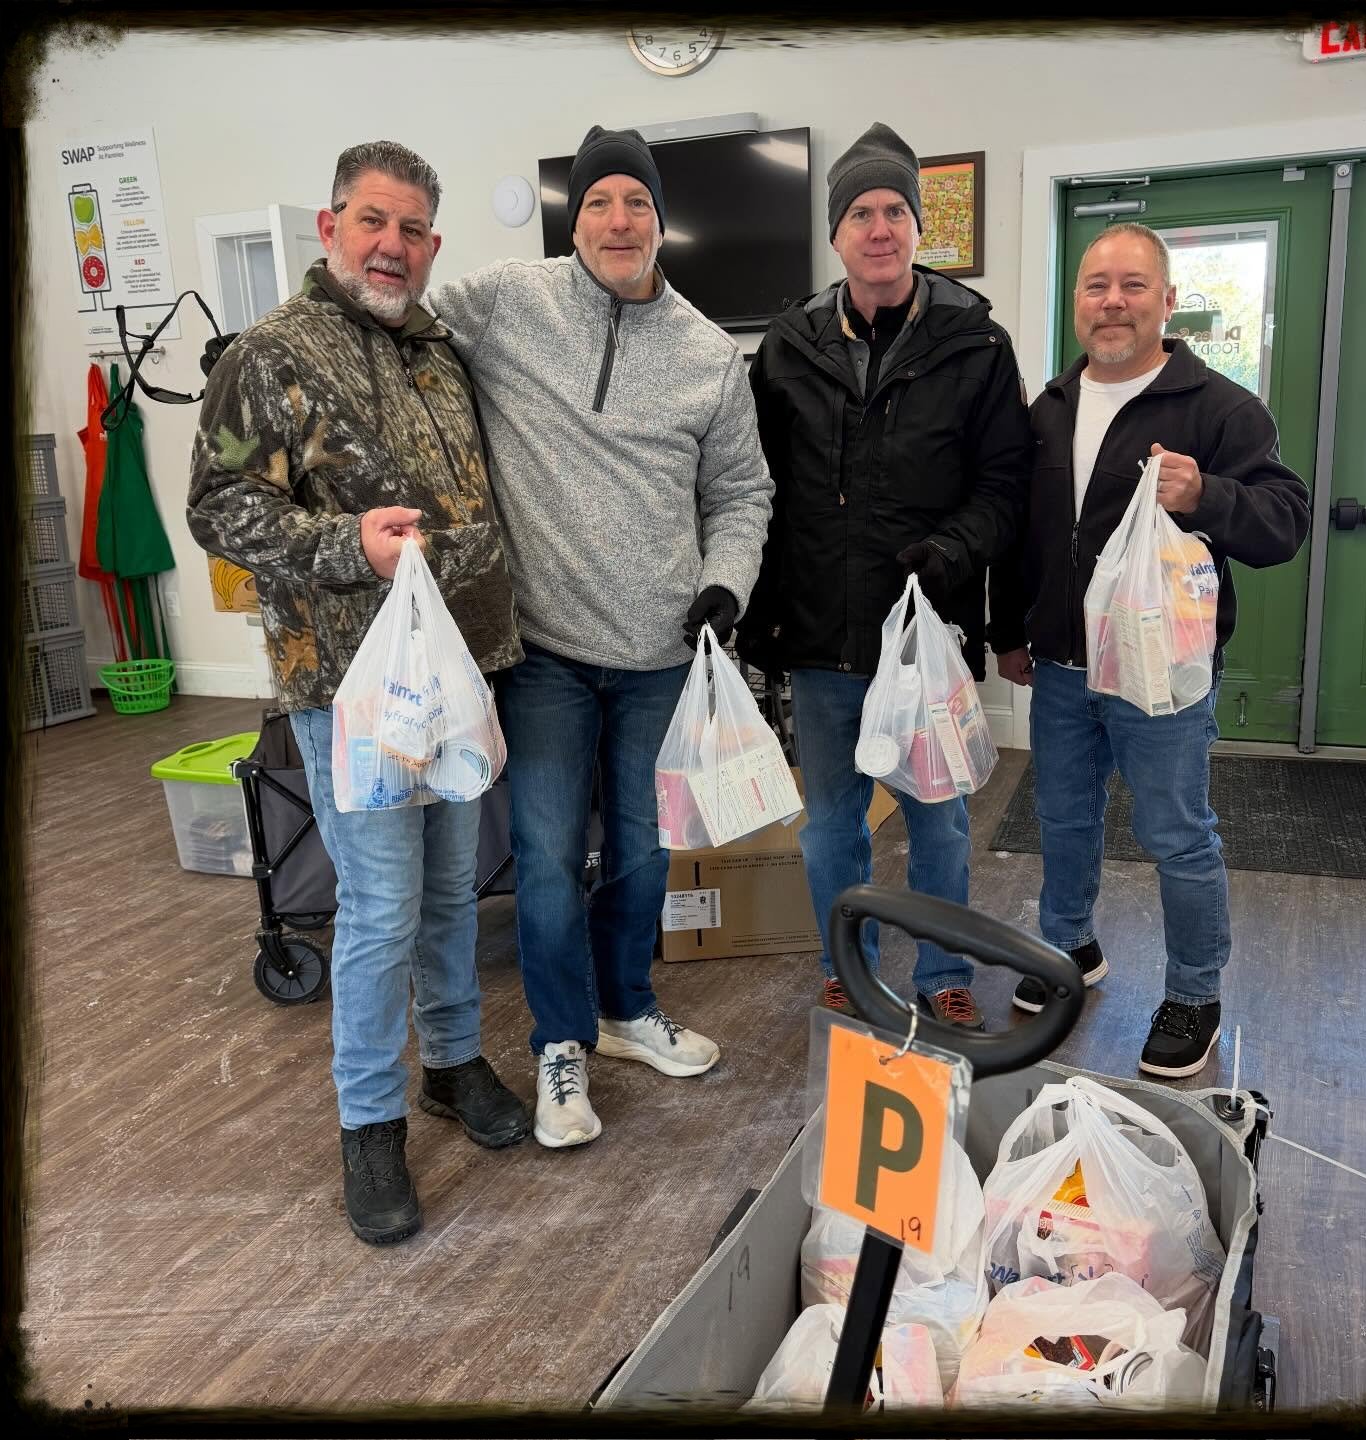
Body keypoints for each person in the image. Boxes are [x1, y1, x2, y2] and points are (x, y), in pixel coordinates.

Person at [188, 141, 531, 1245]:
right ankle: (369, 1123)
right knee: (380, 910)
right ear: (333, 227)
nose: (394, 245)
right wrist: (345, 545)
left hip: (457, 673)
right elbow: (218, 506)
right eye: (374, 221)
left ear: (433, 244)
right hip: (348, 686)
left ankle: (452, 1063)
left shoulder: (439, 354)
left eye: (415, 229)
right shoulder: (269, 355)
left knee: (449, 893)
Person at [426, 124, 773, 1149]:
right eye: (599, 203)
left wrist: (726, 583)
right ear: (573, 218)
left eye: (637, 203)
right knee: (542, 859)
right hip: (541, 654)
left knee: (641, 857)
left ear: (662, 221)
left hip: (661, 655)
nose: (618, 221)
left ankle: (628, 1012)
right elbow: (394, 324)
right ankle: (560, 1046)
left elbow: (744, 494)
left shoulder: (710, 356)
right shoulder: (504, 304)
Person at [988, 221, 1310, 1078]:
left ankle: (1194, 992)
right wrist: (1008, 631)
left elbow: (1285, 522)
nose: (1114, 302)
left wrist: (1209, 493)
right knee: (1062, 820)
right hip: (1060, 666)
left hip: (1162, 676)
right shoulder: (1049, 408)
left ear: (1168, 302)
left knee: (1175, 833)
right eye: (1097, 286)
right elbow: (1022, 533)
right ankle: (1069, 950)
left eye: (1134, 286)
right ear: (1077, 302)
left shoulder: (1219, 407)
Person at [737, 121, 1030, 1032]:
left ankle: (945, 969)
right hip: (821, 633)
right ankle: (847, 963)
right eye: (860, 211)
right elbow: (755, 486)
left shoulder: (977, 346)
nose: (879, 227)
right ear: (836, 235)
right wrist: (759, 613)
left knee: (937, 818)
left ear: (917, 227)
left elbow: (1004, 484)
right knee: (832, 820)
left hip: (925, 638)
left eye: (895, 209)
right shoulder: (786, 348)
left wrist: (954, 548)